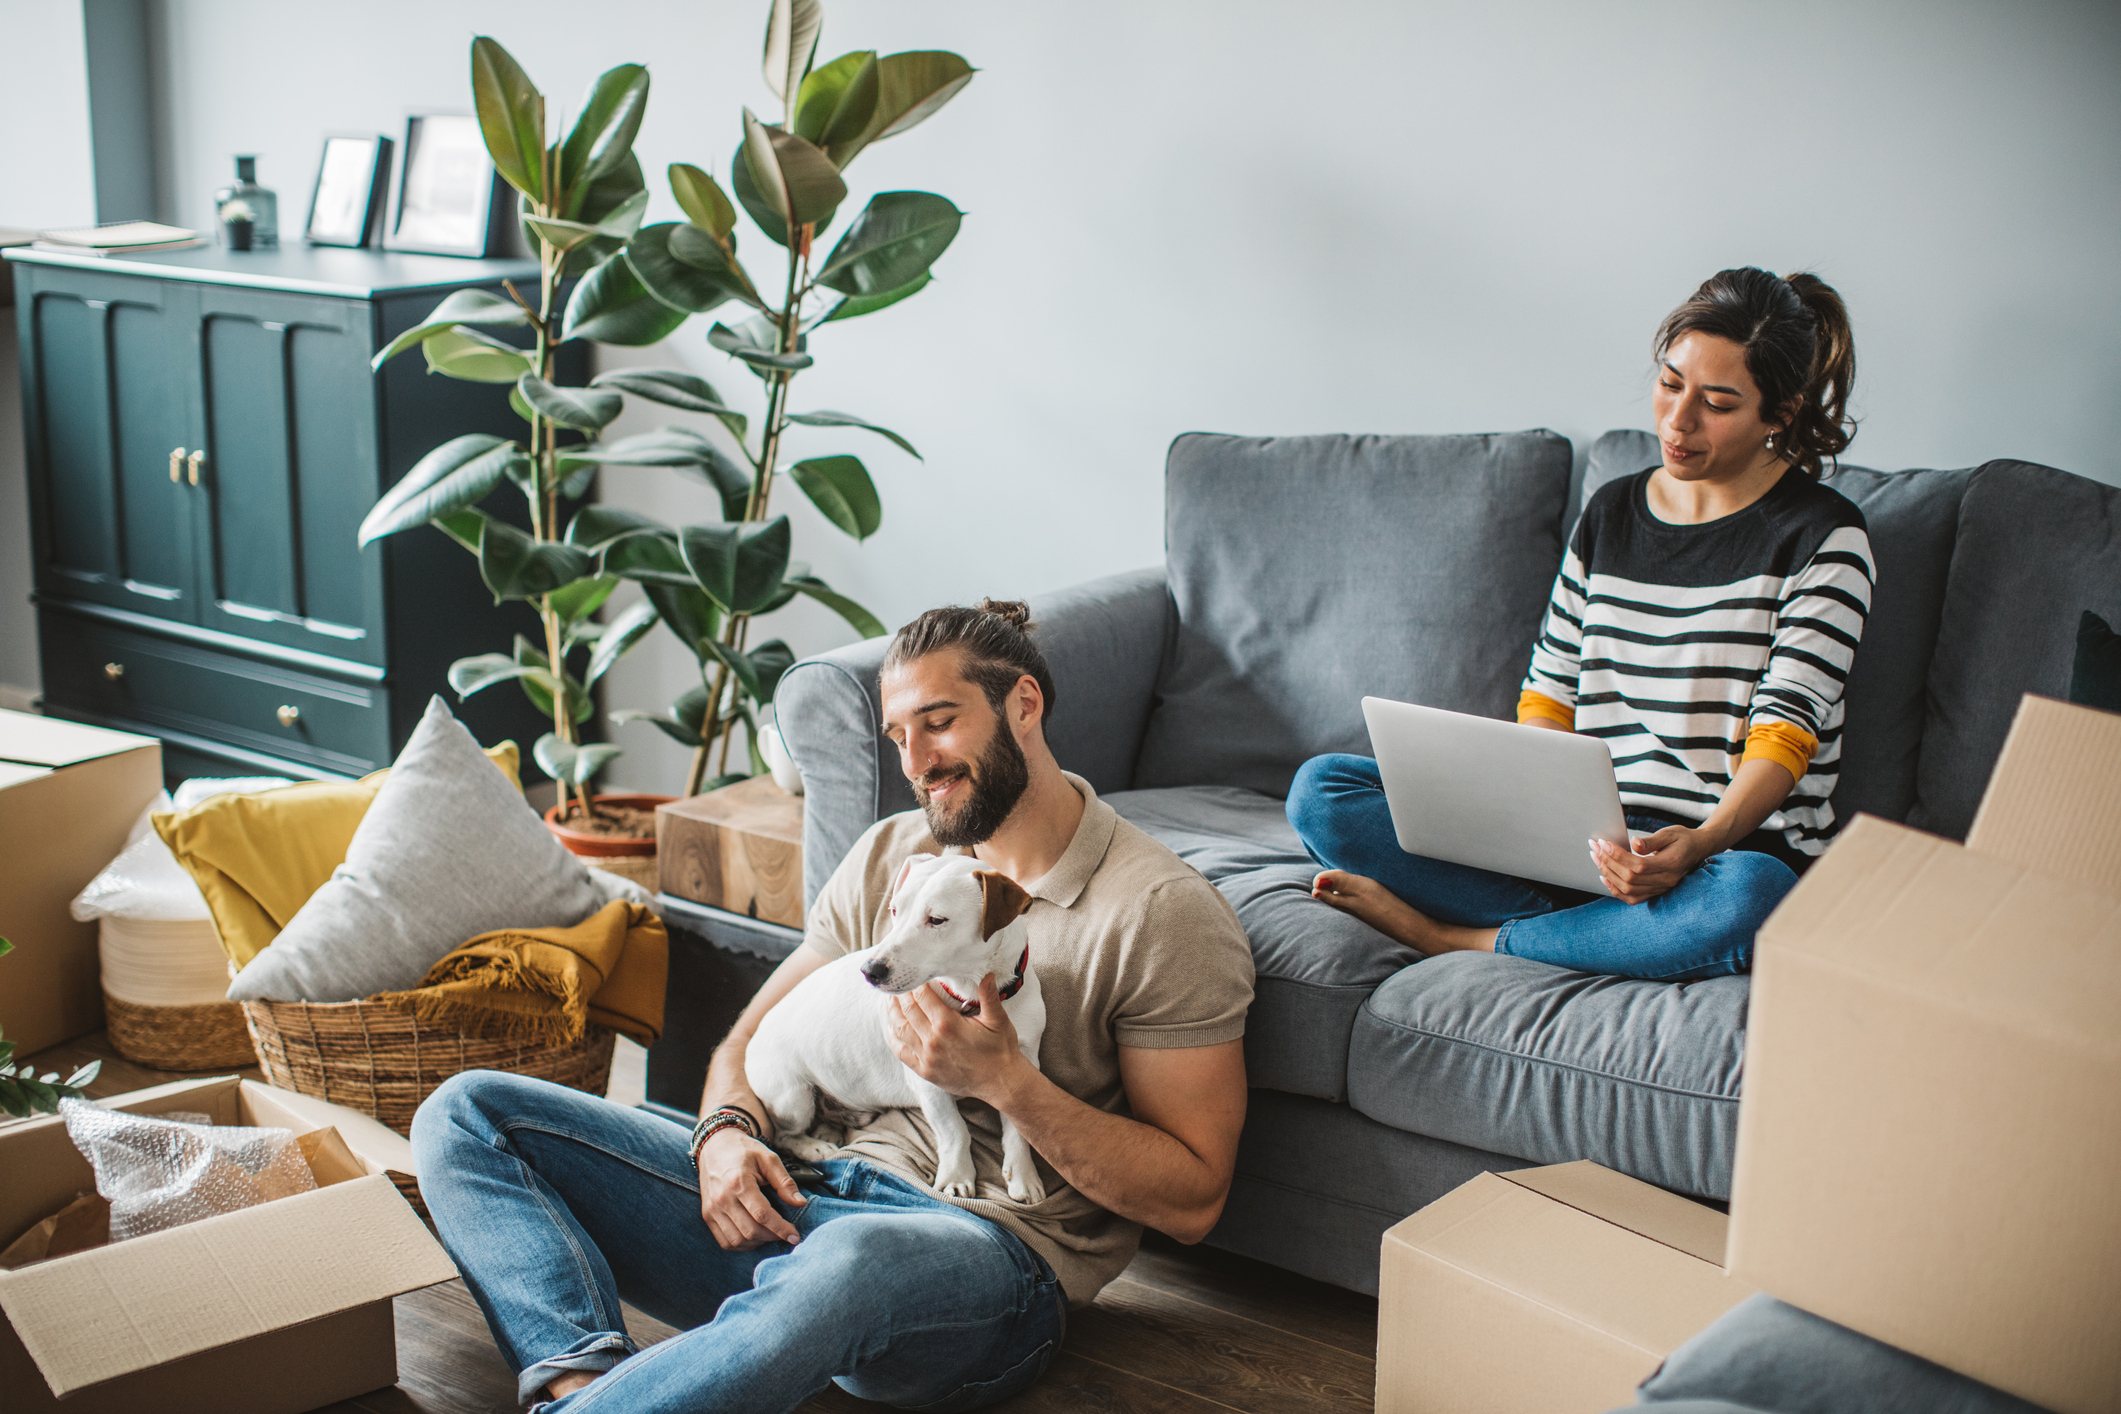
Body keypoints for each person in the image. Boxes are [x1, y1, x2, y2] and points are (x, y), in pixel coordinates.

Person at [411, 600, 1255, 1414]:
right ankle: (579, 1389)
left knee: (847, 1258)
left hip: (978, 1251)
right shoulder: (895, 856)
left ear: (1022, 704)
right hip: (797, 1187)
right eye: (899, 735)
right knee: (466, 1111)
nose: (916, 761)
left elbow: (1192, 1199)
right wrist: (725, 1136)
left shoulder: (1156, 911)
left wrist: (1007, 1082)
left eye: (939, 721)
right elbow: (751, 1038)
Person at [1286, 267, 1873, 981]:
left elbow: (1785, 730)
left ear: (1777, 414)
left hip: (1712, 862)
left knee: (1754, 899)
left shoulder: (1823, 537)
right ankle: (1587, 932)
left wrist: (1700, 841)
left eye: (1717, 403)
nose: (1676, 421)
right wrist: (1539, 824)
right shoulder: (1611, 514)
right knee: (1324, 793)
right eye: (1669, 382)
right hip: (1581, 852)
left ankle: (1458, 938)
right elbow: (1549, 691)